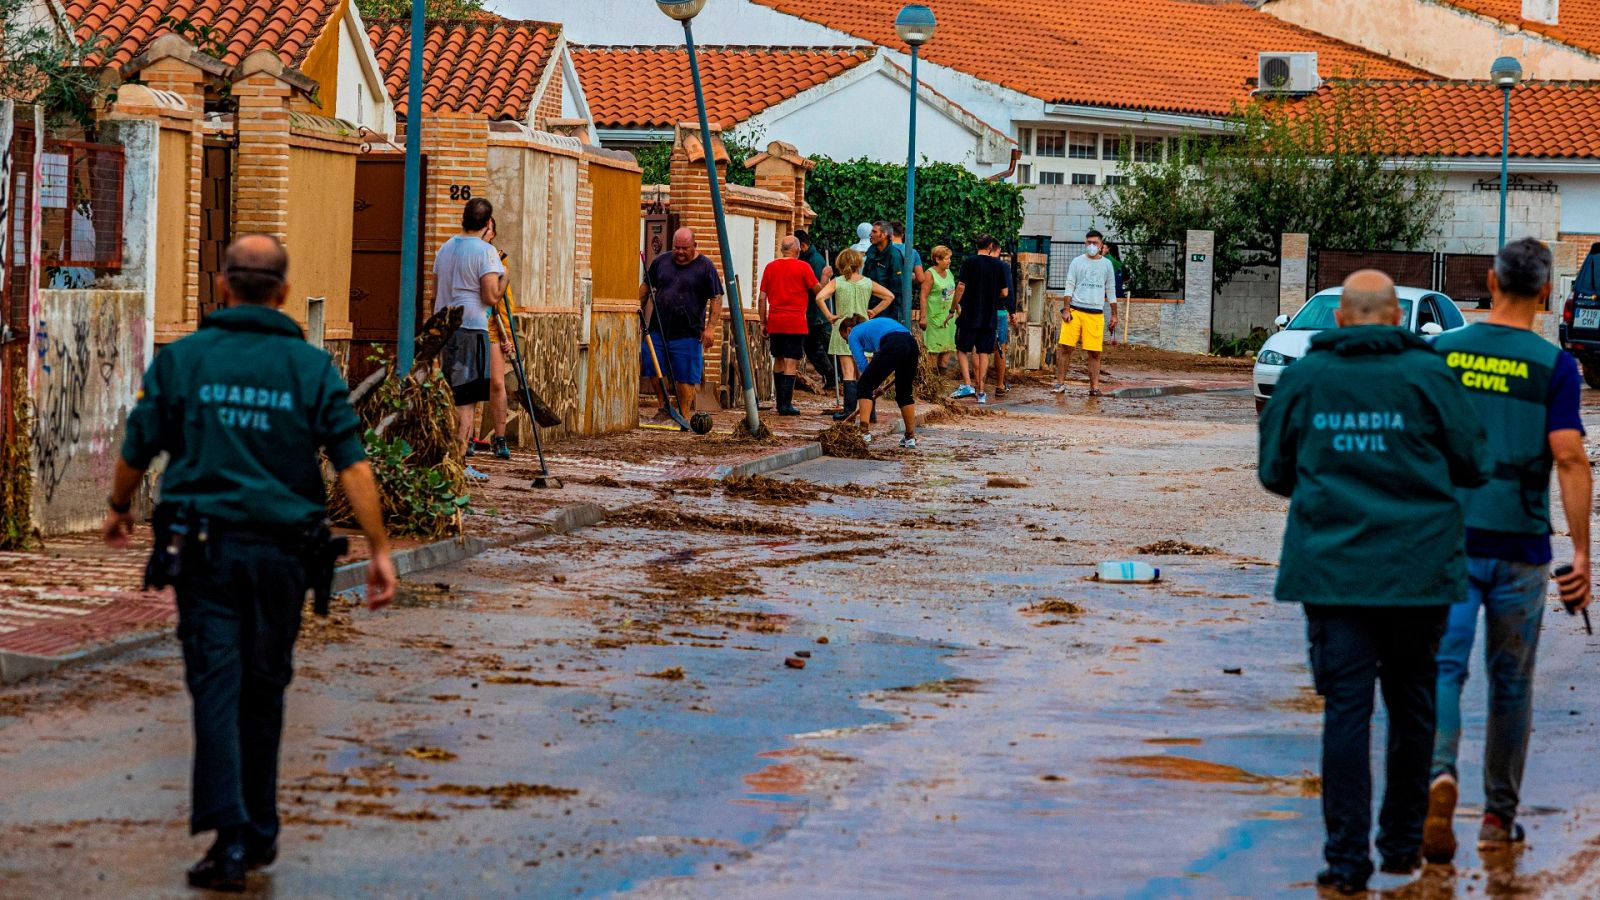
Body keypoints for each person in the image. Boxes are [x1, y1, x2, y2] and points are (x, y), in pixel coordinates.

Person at [103, 235, 398, 892]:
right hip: (282, 560)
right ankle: (256, 830)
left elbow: (137, 443)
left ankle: (232, 839)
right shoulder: (311, 368)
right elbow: (353, 465)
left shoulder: (185, 360)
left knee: (217, 684)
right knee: (263, 690)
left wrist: (120, 505)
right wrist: (379, 551)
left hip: (203, 554)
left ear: (224, 288)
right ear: (285, 294)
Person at [1259, 269, 1492, 896]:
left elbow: (1275, 472)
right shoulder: (1429, 375)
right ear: (1395, 318)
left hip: (1333, 576)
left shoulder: (1304, 377)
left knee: (1347, 712)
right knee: (1413, 706)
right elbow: (1474, 462)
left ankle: (1344, 862)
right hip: (1418, 573)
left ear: (1339, 320)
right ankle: (1398, 848)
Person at [1422, 238, 1593, 863]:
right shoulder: (1556, 367)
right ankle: (1498, 816)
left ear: (1490, 283)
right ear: (1546, 293)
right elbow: (1570, 457)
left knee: (1443, 666)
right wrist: (1581, 555)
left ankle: (1440, 774)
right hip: (1521, 548)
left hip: (1449, 543)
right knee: (1511, 683)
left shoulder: (1440, 353)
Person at [433, 197, 507, 481]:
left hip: (444, 328)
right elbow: (490, 296)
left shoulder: (445, 248)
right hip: (470, 329)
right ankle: (460, 463)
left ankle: (447, 457)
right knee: (466, 401)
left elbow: (433, 295)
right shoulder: (486, 251)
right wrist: (505, 280)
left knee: (450, 396)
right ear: (488, 223)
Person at [639, 227, 723, 418]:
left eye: (685, 248)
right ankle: (664, 408)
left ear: (695, 246)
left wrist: (710, 329)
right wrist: (636, 310)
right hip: (658, 329)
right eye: (677, 248)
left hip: (688, 332)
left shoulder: (705, 267)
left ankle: (684, 415)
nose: (680, 252)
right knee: (654, 368)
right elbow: (646, 288)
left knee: (685, 377)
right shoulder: (661, 262)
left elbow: (716, 299)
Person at [817, 247, 894, 421]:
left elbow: (819, 297)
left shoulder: (837, 282)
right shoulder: (867, 282)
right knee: (866, 372)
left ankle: (849, 411)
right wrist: (873, 311)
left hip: (843, 329)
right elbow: (889, 296)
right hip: (864, 329)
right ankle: (870, 412)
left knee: (848, 372)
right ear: (859, 264)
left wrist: (829, 316)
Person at [759, 234, 821, 416]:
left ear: (781, 249)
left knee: (778, 358)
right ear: (797, 249)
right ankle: (786, 404)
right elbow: (818, 290)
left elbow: (762, 298)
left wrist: (763, 321)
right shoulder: (804, 267)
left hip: (776, 321)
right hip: (796, 322)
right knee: (791, 361)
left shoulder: (770, 267)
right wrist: (825, 278)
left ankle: (779, 402)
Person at [838, 313, 920, 449]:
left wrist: (870, 385)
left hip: (893, 342)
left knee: (864, 385)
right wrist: (877, 384)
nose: (847, 343)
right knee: (904, 393)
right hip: (911, 344)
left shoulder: (853, 333)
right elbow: (880, 364)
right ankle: (910, 437)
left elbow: (862, 363)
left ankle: (863, 432)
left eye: (844, 339)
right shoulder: (872, 327)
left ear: (848, 330)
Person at [1053, 229, 1118, 397]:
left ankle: (1094, 387)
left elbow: (1111, 290)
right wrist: (1066, 309)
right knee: (1065, 348)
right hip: (1075, 310)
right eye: (1089, 242)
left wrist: (1114, 314)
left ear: (1101, 244)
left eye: (1095, 243)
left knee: (1095, 352)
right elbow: (1069, 285)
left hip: (1095, 313)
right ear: (1085, 243)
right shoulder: (1077, 262)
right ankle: (1060, 383)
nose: (1091, 246)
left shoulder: (1107, 265)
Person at [949, 235, 1010, 405]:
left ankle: (967, 385)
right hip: (989, 317)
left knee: (962, 349)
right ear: (990, 246)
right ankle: (981, 391)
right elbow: (1005, 293)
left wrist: (953, 307)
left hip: (969, 314)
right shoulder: (999, 265)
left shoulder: (970, 262)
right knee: (984, 352)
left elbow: (961, 287)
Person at [481, 216, 514, 461]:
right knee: (471, 385)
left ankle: (500, 437)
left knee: (497, 383)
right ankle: (468, 438)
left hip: (493, 329)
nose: (484, 232)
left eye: (488, 229)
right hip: (470, 327)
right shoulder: (470, 258)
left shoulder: (500, 261)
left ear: (492, 233)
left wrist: (508, 337)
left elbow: (505, 303)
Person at [796, 229, 836, 391]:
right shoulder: (811, 259)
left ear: (803, 246)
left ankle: (832, 376)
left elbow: (819, 290)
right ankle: (833, 376)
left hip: (816, 313)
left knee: (814, 347)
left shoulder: (813, 261)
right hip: (815, 313)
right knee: (818, 347)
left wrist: (825, 278)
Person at [920, 245, 958, 373]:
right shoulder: (930, 274)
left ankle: (942, 375)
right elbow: (923, 296)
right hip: (934, 317)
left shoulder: (949, 273)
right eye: (947, 259)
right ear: (937, 259)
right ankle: (931, 378)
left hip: (948, 317)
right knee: (933, 348)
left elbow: (952, 293)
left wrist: (958, 309)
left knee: (947, 347)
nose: (950, 261)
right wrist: (923, 317)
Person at [863, 221, 908, 324]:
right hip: (870, 308)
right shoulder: (870, 253)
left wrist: (896, 316)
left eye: (874, 232)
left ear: (884, 235)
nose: (870, 235)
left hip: (889, 311)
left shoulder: (894, 256)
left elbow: (898, 289)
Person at [993, 251, 1024, 396]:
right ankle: (999, 385)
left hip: (979, 311)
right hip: (999, 311)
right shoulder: (1002, 266)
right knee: (1000, 348)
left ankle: (978, 387)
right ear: (996, 250)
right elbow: (1007, 291)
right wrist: (1012, 311)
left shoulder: (972, 263)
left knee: (979, 349)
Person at [890, 220, 925, 313]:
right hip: (905, 295)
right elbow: (921, 278)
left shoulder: (883, 251)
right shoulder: (912, 252)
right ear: (902, 235)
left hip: (885, 294)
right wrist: (909, 275)